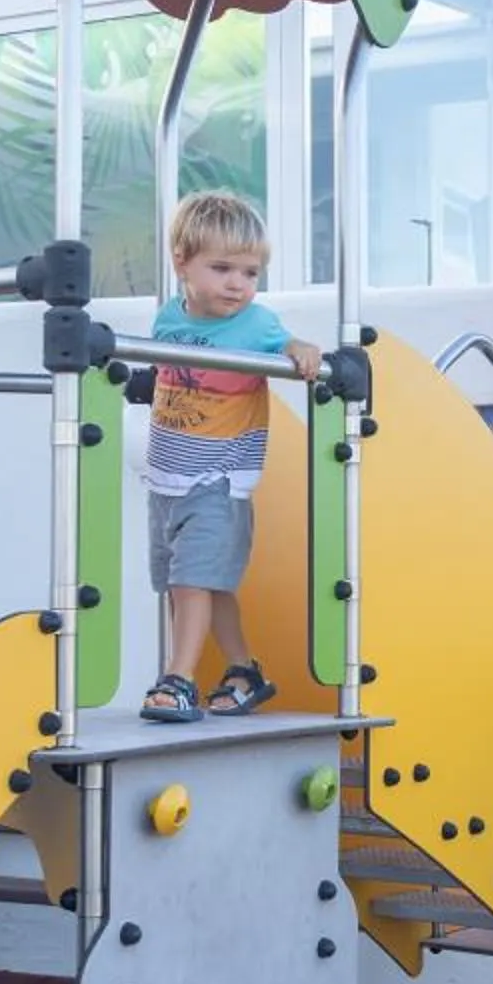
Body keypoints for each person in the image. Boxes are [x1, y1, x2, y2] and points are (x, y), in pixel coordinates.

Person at [140, 190, 320, 721]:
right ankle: (244, 670)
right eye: (221, 269)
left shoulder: (256, 324)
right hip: (166, 480)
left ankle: (177, 680)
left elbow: (288, 346)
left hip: (217, 482)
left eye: (250, 272)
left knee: (191, 581)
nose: (237, 283)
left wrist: (301, 351)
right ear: (182, 263)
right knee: (198, 585)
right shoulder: (168, 318)